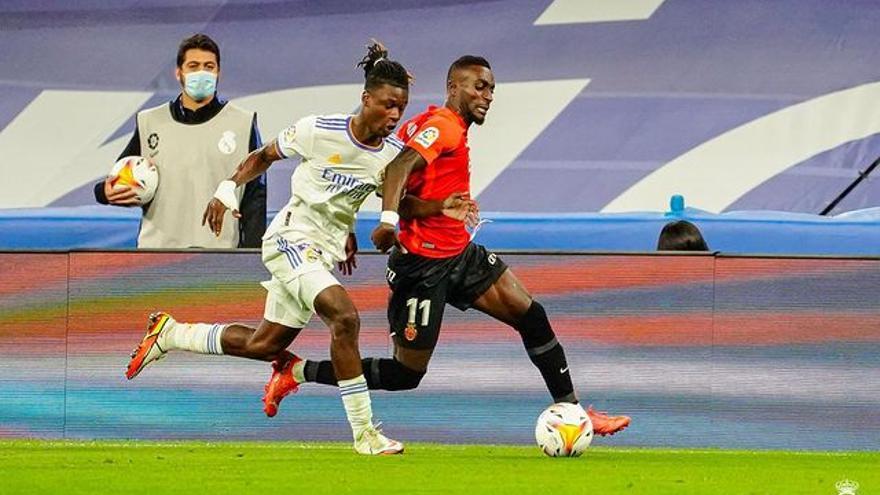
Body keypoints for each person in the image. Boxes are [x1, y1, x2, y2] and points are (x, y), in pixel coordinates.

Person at [265, 56, 631, 437]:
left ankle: (574, 412)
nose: (487, 96)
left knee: (531, 316)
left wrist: (365, 220)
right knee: (406, 374)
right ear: (453, 88)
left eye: (490, 89)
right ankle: (295, 371)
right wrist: (387, 222)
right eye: (478, 86)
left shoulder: (426, 125)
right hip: (421, 267)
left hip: (459, 253)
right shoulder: (443, 128)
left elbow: (392, 182)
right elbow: (397, 168)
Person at [124, 42, 414, 455]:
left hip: (322, 251)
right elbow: (263, 156)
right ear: (366, 98)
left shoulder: (390, 157)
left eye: (400, 109)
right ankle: (365, 433)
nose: (394, 116)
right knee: (344, 317)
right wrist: (227, 190)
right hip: (290, 241)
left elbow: (342, 196)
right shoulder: (318, 129)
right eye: (387, 105)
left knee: (265, 345)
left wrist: (346, 230)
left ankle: (171, 333)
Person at [95, 33, 265, 248]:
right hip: (156, 254)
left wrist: (253, 258)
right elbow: (122, 181)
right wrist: (104, 193)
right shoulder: (150, 122)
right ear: (179, 73)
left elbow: (255, 197)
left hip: (220, 256)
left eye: (209, 66)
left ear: (218, 72)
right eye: (193, 66)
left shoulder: (243, 122)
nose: (201, 73)